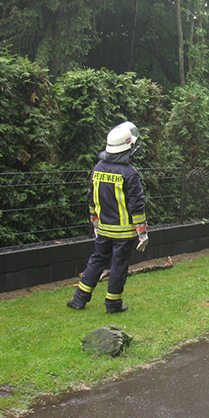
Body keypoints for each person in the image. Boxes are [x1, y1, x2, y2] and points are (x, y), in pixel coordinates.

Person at [67, 121, 148, 313]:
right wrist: (142, 232)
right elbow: (136, 205)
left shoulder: (98, 168)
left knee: (96, 261)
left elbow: (91, 198)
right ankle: (113, 304)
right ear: (127, 148)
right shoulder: (130, 173)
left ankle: (79, 299)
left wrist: (95, 221)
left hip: (103, 229)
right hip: (124, 233)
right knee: (119, 266)